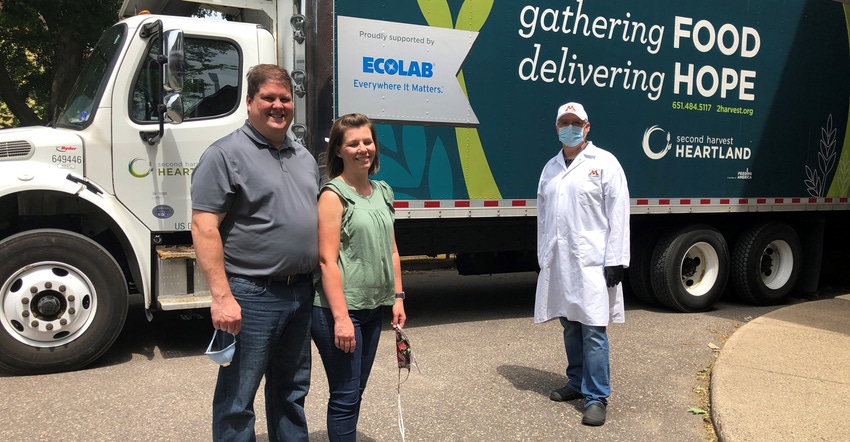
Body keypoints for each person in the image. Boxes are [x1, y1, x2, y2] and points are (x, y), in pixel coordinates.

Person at [190, 64, 319, 441]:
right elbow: (204, 226)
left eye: (285, 98)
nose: (278, 105)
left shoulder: (303, 156)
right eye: (269, 98)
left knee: (292, 392)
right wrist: (221, 297)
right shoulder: (225, 155)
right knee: (237, 398)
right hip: (252, 294)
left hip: (300, 292)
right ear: (249, 102)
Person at [311, 113, 407, 441]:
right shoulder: (332, 195)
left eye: (368, 142)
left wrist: (397, 297)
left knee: (356, 391)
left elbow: (392, 250)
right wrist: (341, 319)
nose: (363, 149)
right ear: (338, 151)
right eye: (353, 143)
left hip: (371, 309)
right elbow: (326, 261)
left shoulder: (383, 191)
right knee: (345, 394)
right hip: (339, 311)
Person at [534, 102, 630, 427]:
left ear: (587, 128)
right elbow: (544, 219)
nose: (570, 127)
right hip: (561, 262)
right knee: (569, 324)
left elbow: (619, 213)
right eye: (565, 122)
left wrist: (617, 260)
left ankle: (597, 396)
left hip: (593, 264)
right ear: (556, 127)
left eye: (576, 122)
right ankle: (576, 382)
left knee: (593, 328)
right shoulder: (550, 168)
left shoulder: (604, 163)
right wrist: (543, 257)